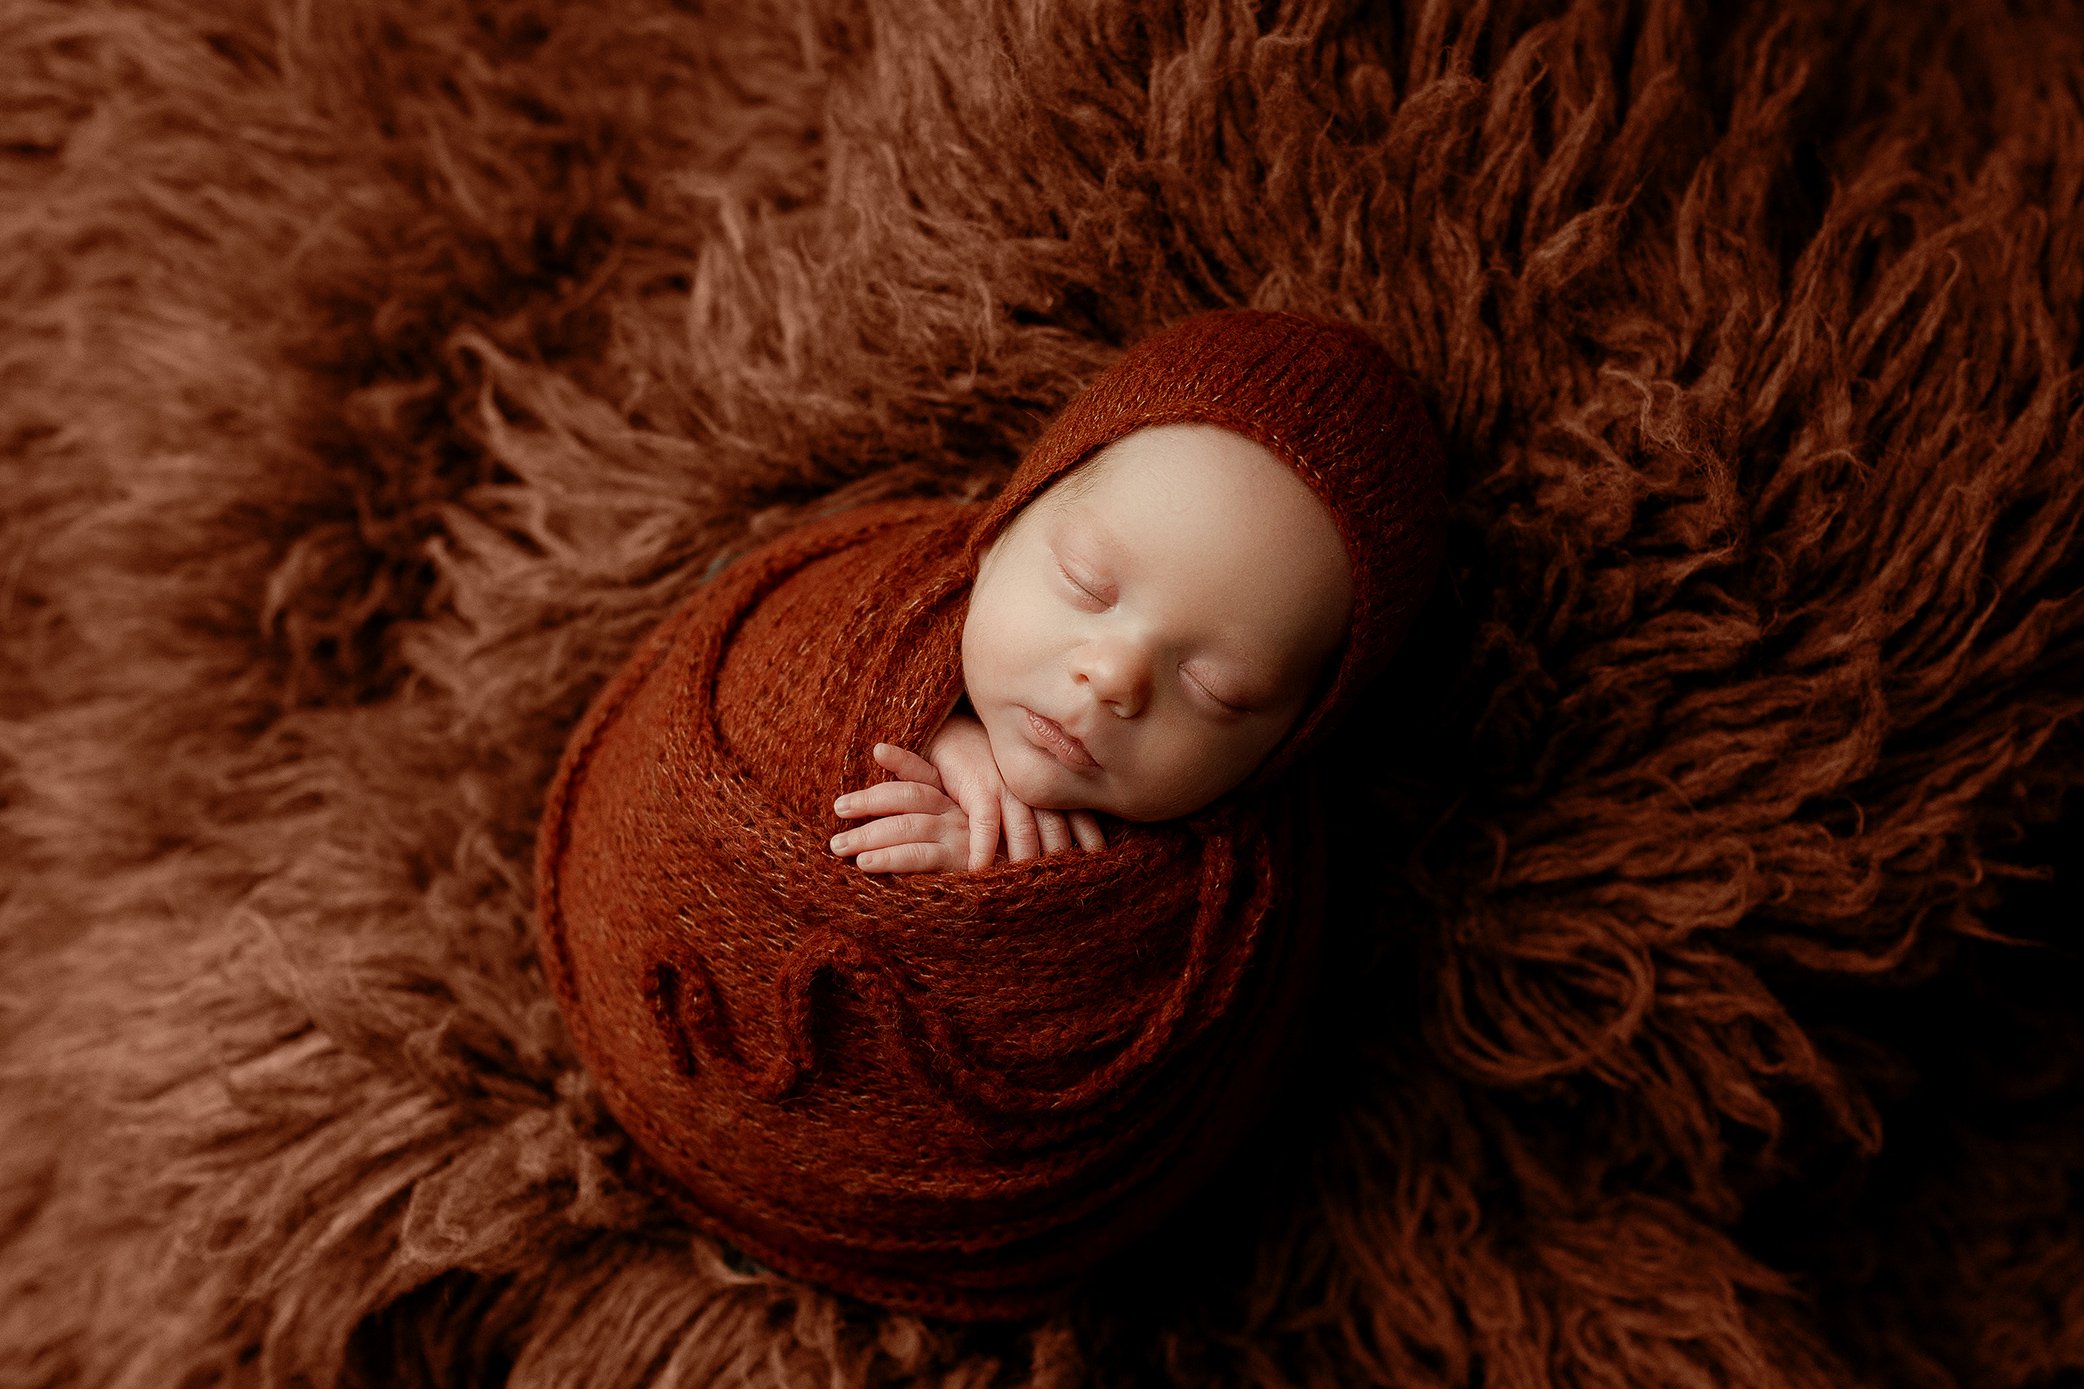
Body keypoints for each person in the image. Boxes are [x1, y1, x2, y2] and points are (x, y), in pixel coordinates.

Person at [828, 420, 1353, 872]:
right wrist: (923, 725)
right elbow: (792, 652)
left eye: (1213, 689)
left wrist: (994, 882)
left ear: (1290, 741)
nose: (1113, 677)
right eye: (1086, 587)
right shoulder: (880, 581)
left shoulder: (1249, 883)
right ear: (1000, 528)